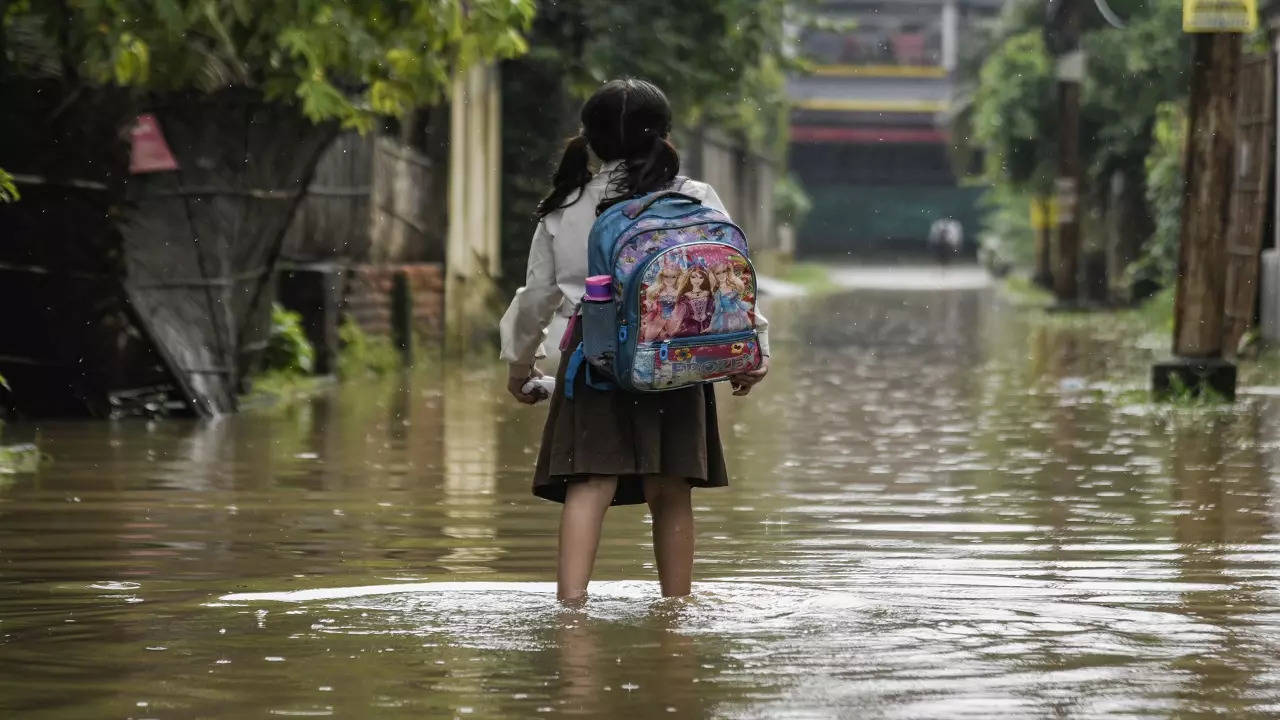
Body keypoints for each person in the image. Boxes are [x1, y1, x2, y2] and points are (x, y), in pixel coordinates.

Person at [499, 79, 771, 603]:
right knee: (670, 492)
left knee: (589, 483)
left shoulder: (565, 207)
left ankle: (570, 612)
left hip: (595, 362)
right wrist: (753, 350)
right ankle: (677, 615)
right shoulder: (695, 197)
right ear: (663, 136)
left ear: (589, 138)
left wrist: (520, 368)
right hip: (678, 357)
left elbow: (536, 299)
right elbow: (729, 280)